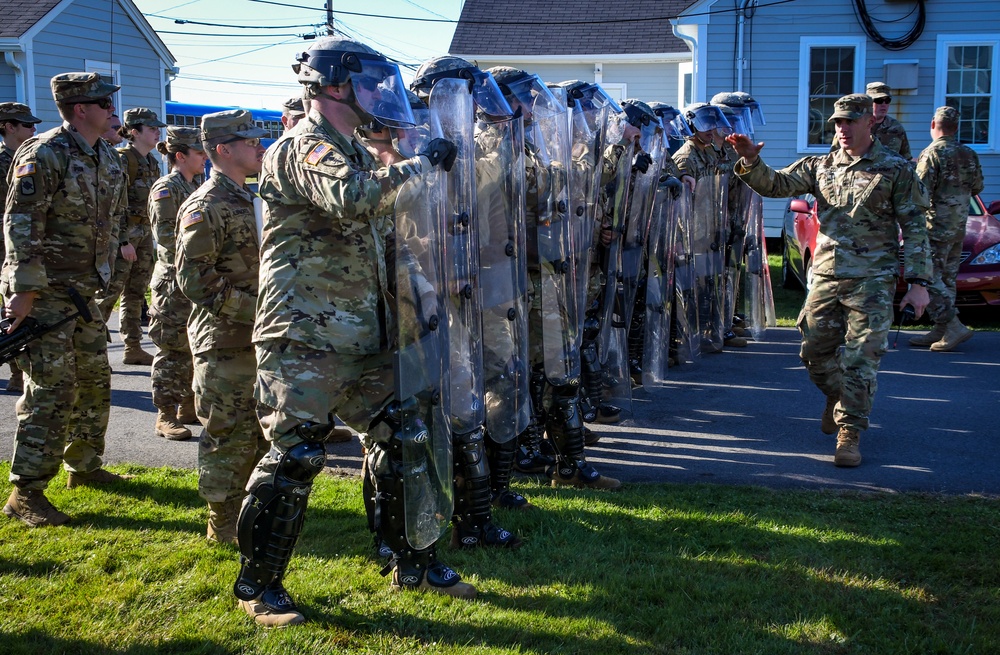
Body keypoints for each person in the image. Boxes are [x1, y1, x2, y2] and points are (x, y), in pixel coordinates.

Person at [232, 36, 472, 628]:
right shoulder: (303, 147)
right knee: (295, 460)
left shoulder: (359, 151)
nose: (378, 94)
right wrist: (419, 165)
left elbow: (388, 239)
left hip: (368, 333)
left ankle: (410, 560)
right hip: (306, 337)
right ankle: (259, 588)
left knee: (404, 436)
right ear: (334, 86)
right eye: (367, 82)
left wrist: (424, 294)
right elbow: (354, 199)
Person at [727, 93, 932, 468]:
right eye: (837, 122)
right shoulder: (820, 165)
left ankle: (849, 432)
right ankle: (838, 398)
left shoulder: (896, 169)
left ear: (870, 122)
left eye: (850, 121)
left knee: (861, 358)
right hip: (825, 274)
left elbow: (915, 227)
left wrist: (919, 282)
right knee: (814, 352)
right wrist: (750, 160)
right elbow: (775, 185)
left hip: (873, 279)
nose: (842, 128)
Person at [1, 72, 130, 528]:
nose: (113, 110)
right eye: (104, 103)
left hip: (83, 293)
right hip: (46, 293)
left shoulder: (106, 157)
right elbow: (21, 222)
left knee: (94, 381)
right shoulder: (44, 153)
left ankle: (84, 465)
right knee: (52, 391)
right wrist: (24, 290)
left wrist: (111, 264)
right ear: (80, 108)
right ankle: (26, 491)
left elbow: (110, 221)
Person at [175, 111, 268, 544]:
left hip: (259, 337)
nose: (259, 147)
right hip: (225, 339)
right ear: (223, 150)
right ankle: (222, 519)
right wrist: (259, 311)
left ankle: (253, 507)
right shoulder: (205, 205)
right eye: (250, 142)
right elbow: (195, 280)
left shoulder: (255, 198)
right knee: (227, 431)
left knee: (259, 430)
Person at [147, 127, 207, 441]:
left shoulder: (195, 184)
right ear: (180, 156)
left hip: (193, 278)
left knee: (191, 346)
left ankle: (187, 406)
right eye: (199, 153)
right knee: (171, 350)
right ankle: (165, 414)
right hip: (172, 282)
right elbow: (167, 237)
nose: (205, 157)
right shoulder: (166, 189)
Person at [910, 106, 984, 352]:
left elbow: (920, 193)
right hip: (959, 225)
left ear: (933, 124)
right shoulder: (969, 153)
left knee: (928, 277)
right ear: (956, 127)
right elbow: (977, 187)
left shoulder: (932, 153)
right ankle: (942, 329)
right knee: (947, 278)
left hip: (935, 226)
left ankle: (952, 325)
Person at [95, 107, 165, 366]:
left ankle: (133, 346)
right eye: (152, 129)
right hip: (123, 238)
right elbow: (112, 204)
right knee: (108, 294)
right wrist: (123, 241)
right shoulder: (122, 158)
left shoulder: (152, 161)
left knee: (136, 293)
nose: (158, 133)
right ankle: (93, 351)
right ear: (134, 132)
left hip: (144, 235)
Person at [0, 101, 42, 394]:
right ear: (9, 127)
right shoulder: (3, 162)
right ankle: (15, 370)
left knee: (21, 309)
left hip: (21, 248)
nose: (33, 129)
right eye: (27, 125)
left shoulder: (33, 160)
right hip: (3, 247)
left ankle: (20, 372)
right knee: (11, 309)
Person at [831, 82, 911, 160]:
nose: (883, 104)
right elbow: (834, 158)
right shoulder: (850, 129)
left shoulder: (896, 128)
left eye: (887, 100)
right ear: (868, 103)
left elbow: (906, 158)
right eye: (878, 101)